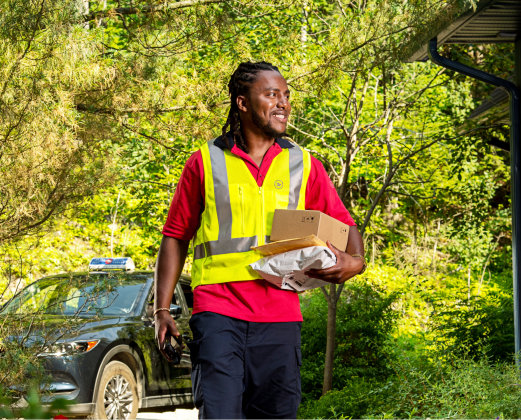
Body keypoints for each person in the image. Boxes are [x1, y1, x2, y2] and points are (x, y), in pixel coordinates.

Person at [154, 61, 365, 420]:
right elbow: (175, 236)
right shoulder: (205, 162)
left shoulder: (304, 165)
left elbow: (346, 228)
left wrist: (356, 262)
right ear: (242, 103)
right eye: (271, 94)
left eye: (286, 96)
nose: (283, 103)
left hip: (281, 317)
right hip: (218, 313)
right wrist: (161, 311)